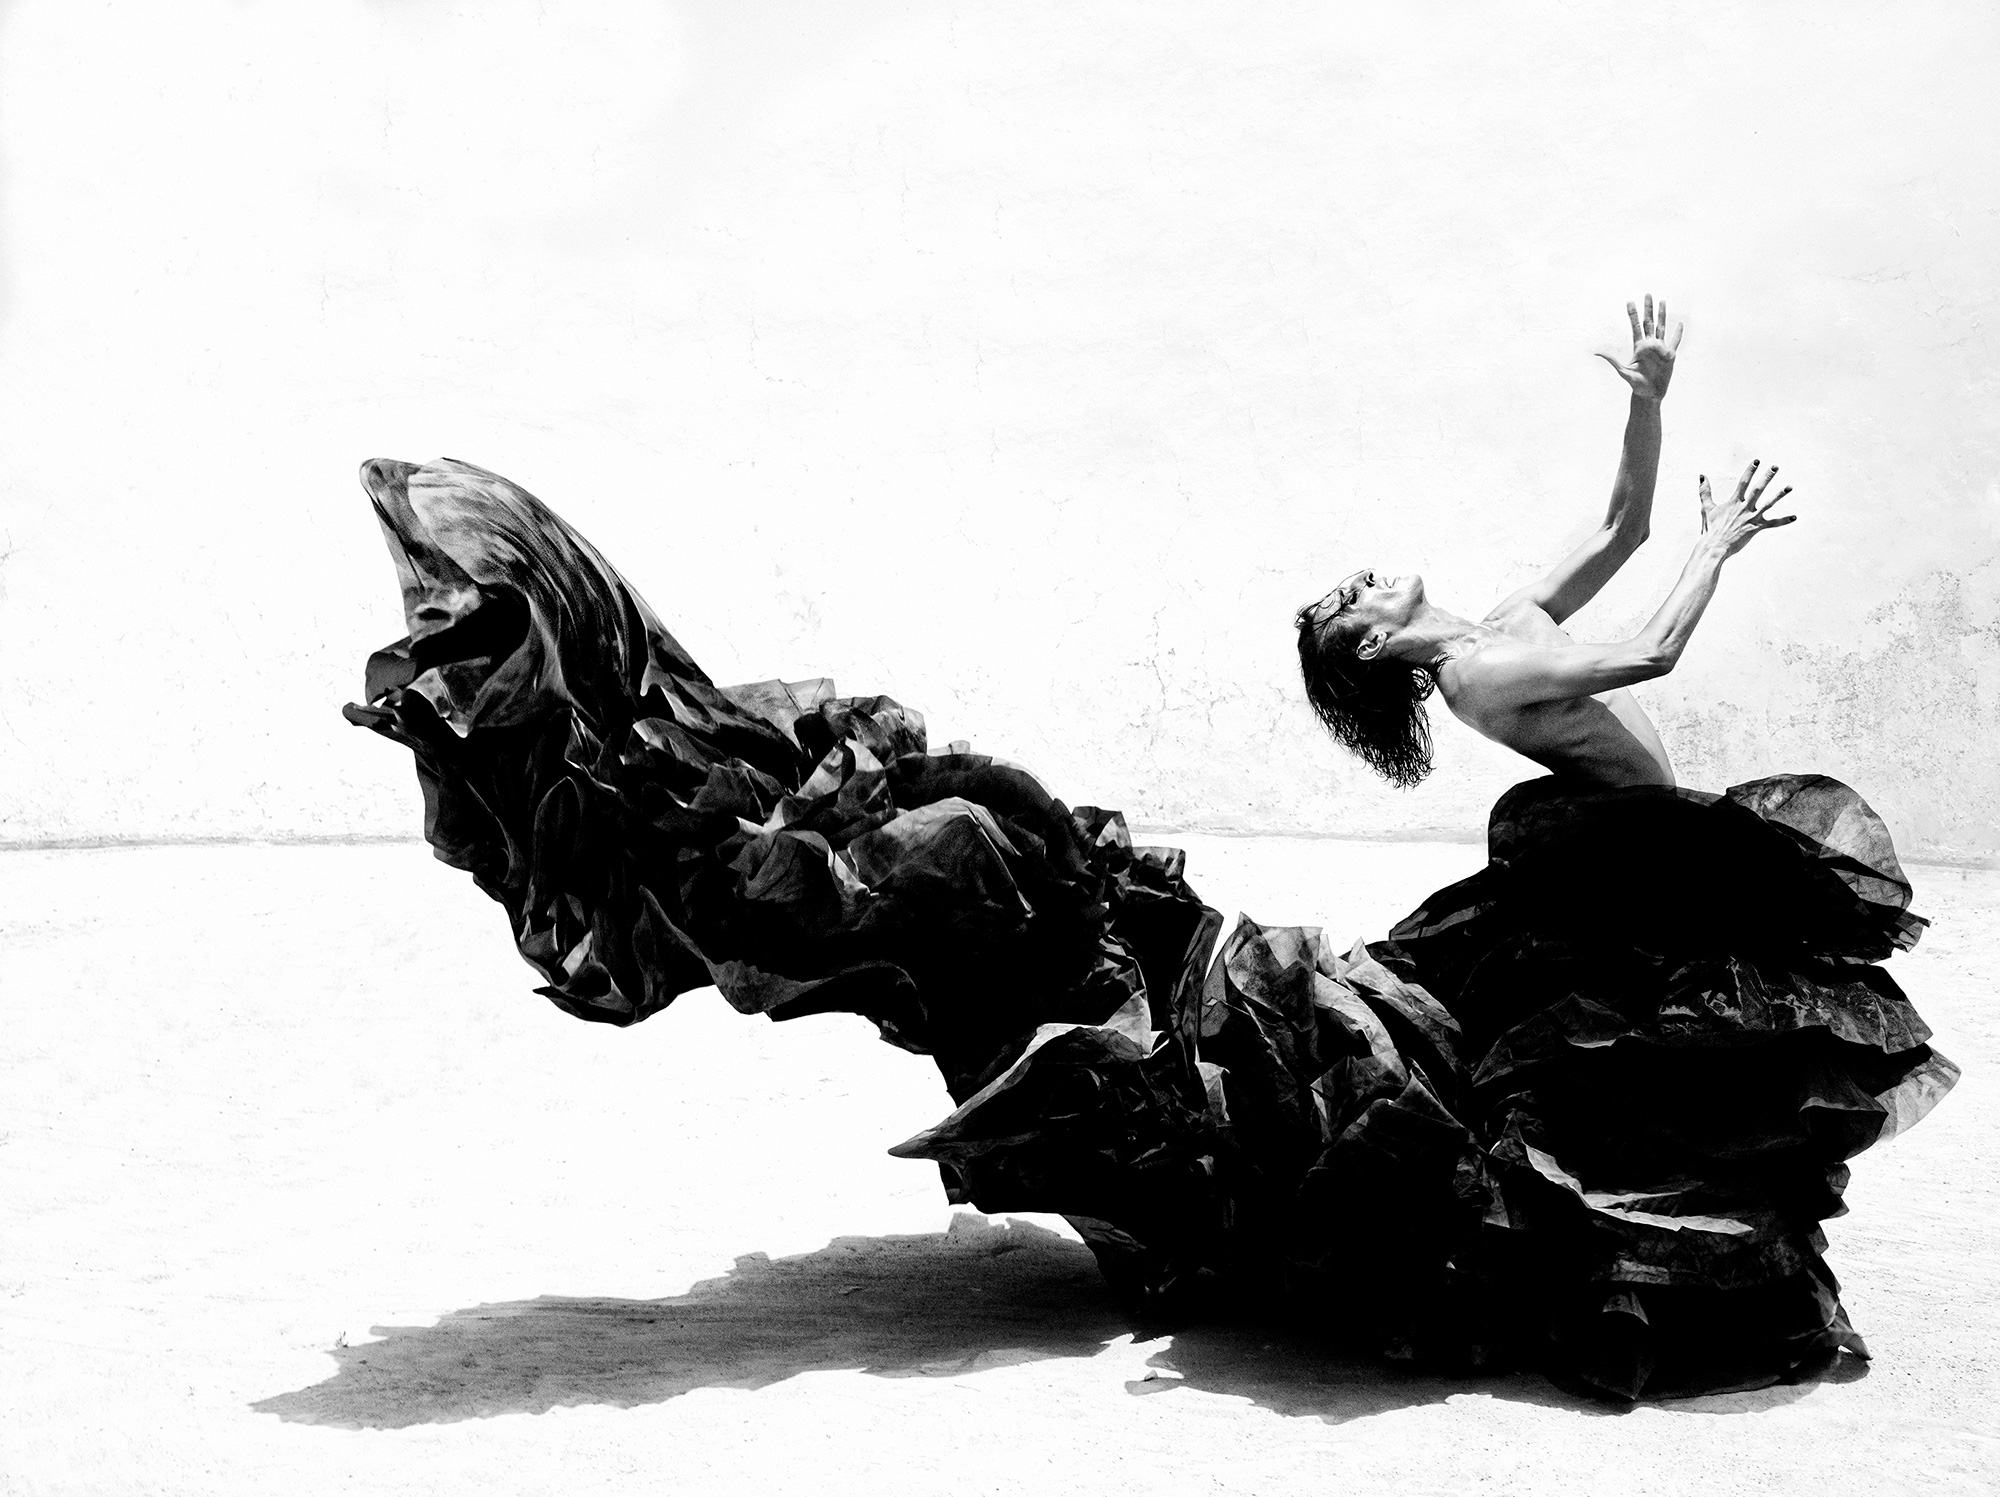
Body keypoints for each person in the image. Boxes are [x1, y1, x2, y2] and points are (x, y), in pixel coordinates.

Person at [1269, 296, 1957, 1397]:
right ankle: (1627, 1287)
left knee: (1677, 1072)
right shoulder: (1482, 671)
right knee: (1661, 1074)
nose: (1363, 577)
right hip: (1634, 858)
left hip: (1638, 836)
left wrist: (1647, 401)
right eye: (1350, 601)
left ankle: (1665, 1270)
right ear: (1374, 645)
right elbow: (1651, 651)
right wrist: (1716, 545)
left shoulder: (1503, 620)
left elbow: (1621, 527)